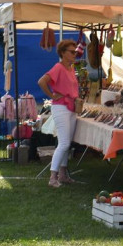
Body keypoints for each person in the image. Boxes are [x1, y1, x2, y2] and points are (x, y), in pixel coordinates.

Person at [38, 40, 80, 188]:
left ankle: (62, 175)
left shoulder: (70, 68)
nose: (75, 54)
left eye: (75, 51)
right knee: (63, 143)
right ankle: (53, 177)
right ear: (63, 53)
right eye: (72, 52)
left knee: (66, 143)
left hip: (70, 107)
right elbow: (42, 81)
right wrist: (52, 95)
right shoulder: (58, 67)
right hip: (61, 107)